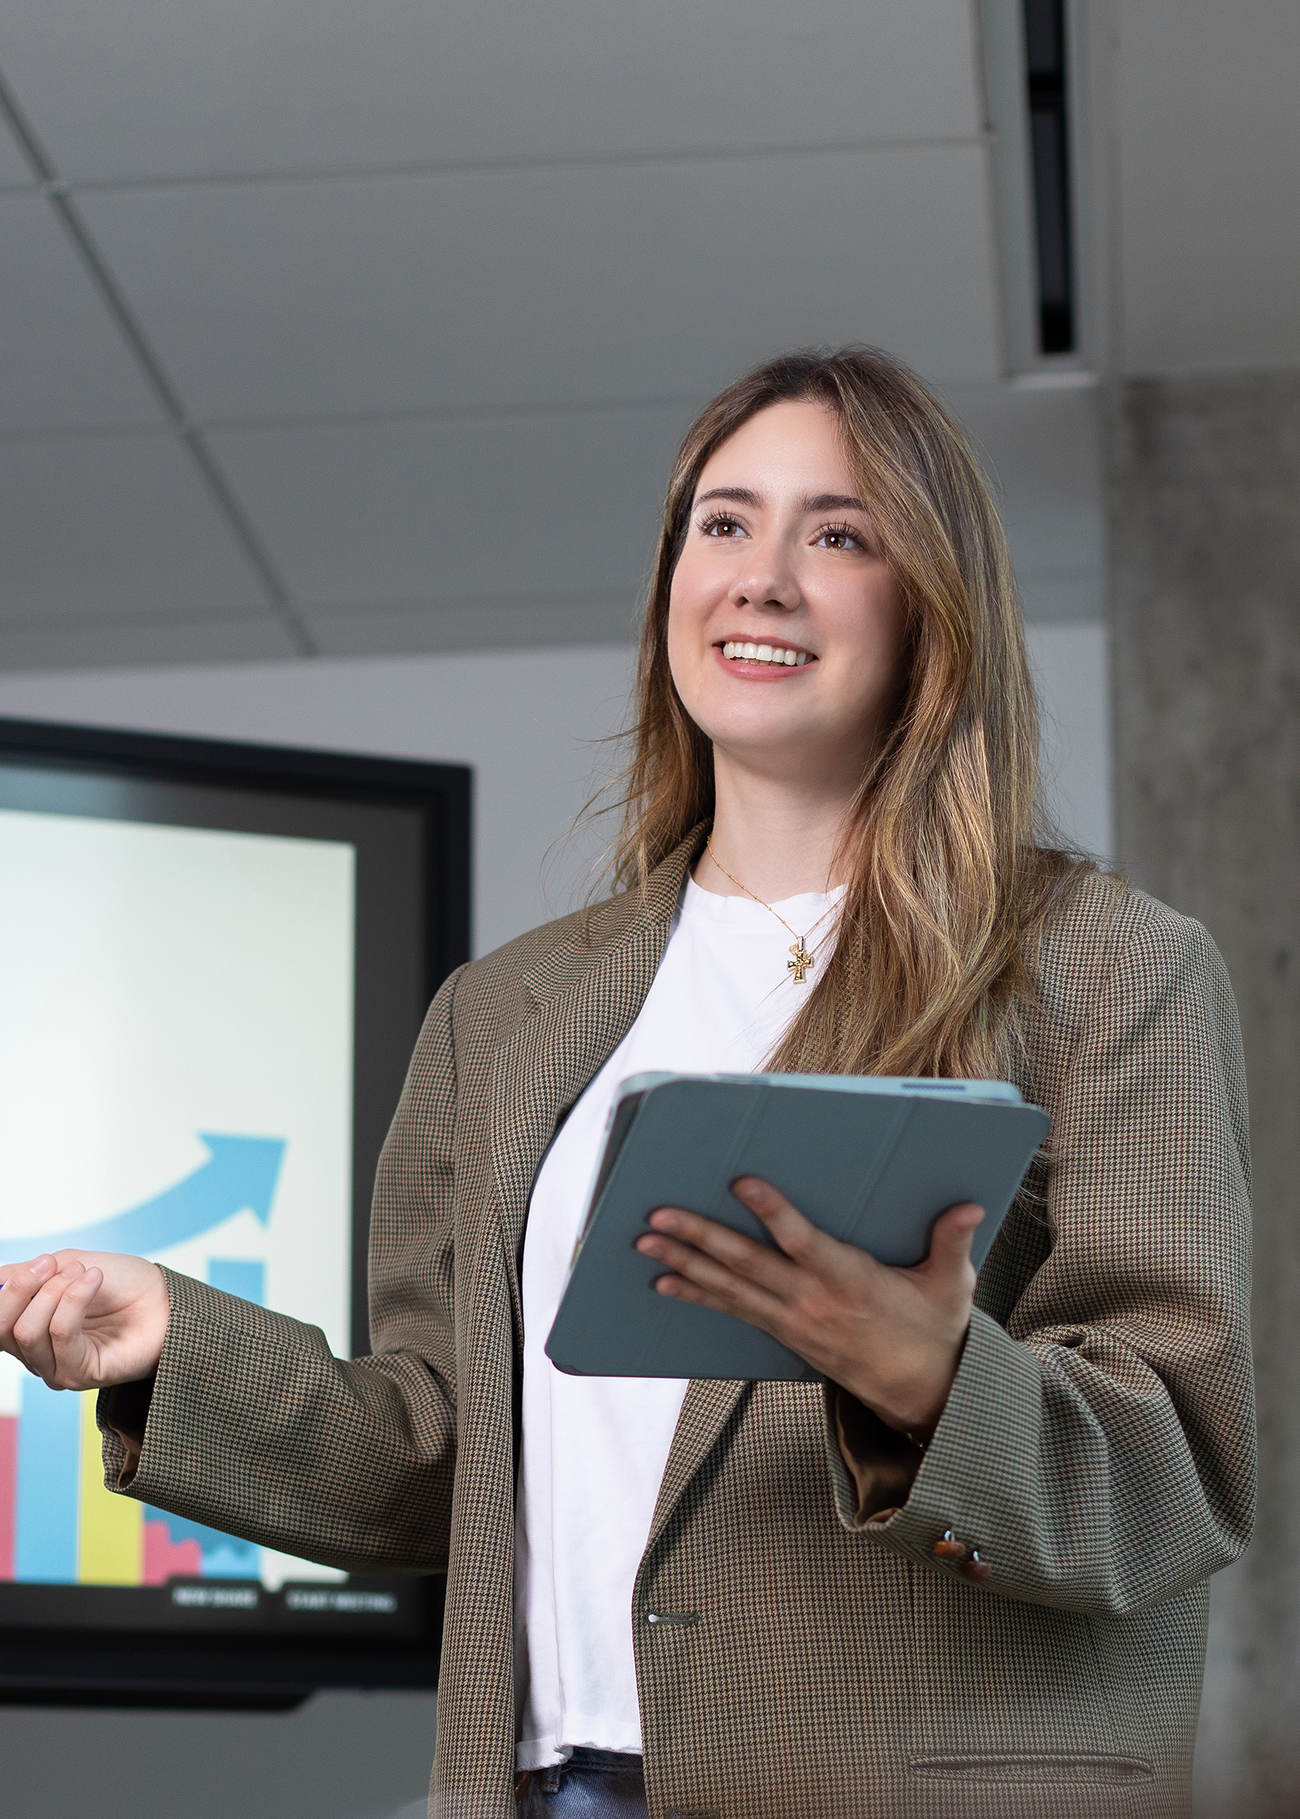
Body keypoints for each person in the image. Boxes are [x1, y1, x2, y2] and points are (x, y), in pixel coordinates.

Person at [0, 348, 1253, 1819]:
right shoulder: (504, 1012)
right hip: (543, 1786)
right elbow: (439, 1464)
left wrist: (926, 1372)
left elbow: (1174, 1474)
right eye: (723, 523)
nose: (762, 577)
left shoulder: (1107, 966)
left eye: (838, 534)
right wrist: (169, 1343)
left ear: (934, 606)